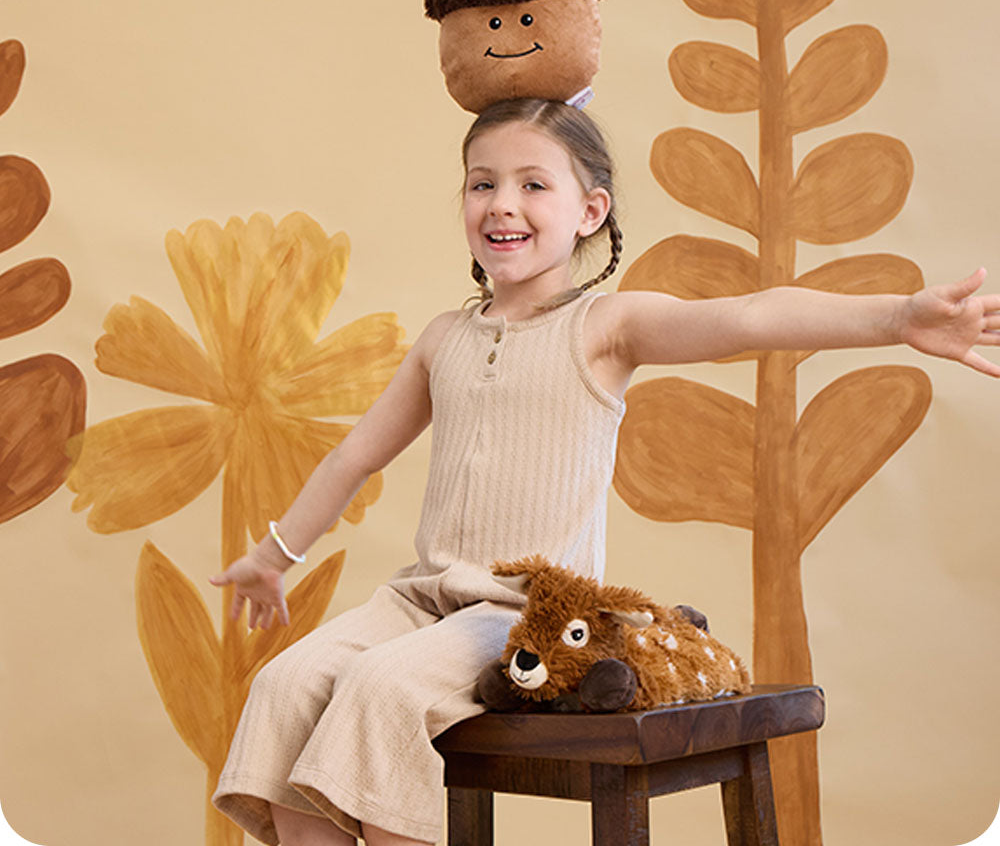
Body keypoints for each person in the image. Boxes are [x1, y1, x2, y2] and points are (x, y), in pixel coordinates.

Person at [210, 98, 1000, 846]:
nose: (502, 205)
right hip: (423, 600)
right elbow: (357, 454)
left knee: (380, 691)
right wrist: (272, 556)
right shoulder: (444, 337)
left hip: (523, 616)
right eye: (482, 184)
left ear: (590, 211)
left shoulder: (604, 327)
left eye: (533, 185)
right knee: (284, 687)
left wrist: (897, 317)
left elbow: (747, 316)